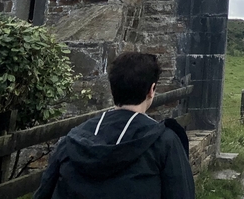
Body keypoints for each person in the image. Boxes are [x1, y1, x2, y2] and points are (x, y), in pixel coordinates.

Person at [34, 52, 195, 199]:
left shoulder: (71, 140)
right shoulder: (165, 143)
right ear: (152, 90)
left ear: (112, 89)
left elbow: (44, 192)